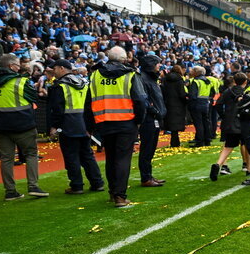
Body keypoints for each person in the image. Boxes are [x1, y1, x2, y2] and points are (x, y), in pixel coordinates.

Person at [0, 53, 49, 200]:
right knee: (31, 154)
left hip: (0, 126)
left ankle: (10, 191)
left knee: (6, 158)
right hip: (23, 124)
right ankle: (33, 186)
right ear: (11, 66)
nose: (19, 68)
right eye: (18, 65)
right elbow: (33, 97)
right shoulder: (20, 81)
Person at [87, 46, 145, 207]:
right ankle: (120, 195)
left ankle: (113, 192)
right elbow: (140, 100)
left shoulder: (95, 75)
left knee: (111, 157)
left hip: (104, 121)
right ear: (124, 59)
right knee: (122, 159)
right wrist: (139, 120)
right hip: (126, 121)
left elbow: (88, 100)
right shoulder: (130, 74)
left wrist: (90, 124)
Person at [47, 58, 103, 195]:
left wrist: (55, 126)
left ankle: (77, 185)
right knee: (87, 155)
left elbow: (57, 110)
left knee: (71, 156)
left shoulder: (59, 86)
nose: (53, 72)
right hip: (84, 125)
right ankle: (97, 183)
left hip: (68, 125)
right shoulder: (84, 83)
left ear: (61, 68)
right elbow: (90, 106)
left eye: (55, 69)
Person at [210, 72, 247, 181]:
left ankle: (218, 164)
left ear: (234, 81)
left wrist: (224, 115)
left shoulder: (227, 91)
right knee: (245, 144)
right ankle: (248, 166)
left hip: (229, 121)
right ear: (245, 81)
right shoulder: (246, 92)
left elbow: (218, 104)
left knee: (228, 145)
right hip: (241, 121)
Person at [137, 54, 166, 188]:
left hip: (154, 118)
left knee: (151, 148)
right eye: (157, 63)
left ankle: (148, 175)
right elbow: (145, 100)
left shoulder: (151, 78)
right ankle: (146, 177)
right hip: (149, 118)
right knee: (147, 149)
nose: (159, 66)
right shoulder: (143, 79)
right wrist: (155, 111)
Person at [186, 66, 212, 147]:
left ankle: (199, 141)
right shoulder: (207, 81)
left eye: (193, 70)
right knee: (205, 122)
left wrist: (187, 96)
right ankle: (207, 140)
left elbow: (192, 95)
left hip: (197, 104)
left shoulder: (196, 81)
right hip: (205, 103)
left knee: (199, 124)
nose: (191, 72)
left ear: (196, 72)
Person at [162, 64, 187, 147]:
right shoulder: (179, 80)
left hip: (168, 102)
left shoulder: (165, 79)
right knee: (176, 123)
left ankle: (174, 141)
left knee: (171, 122)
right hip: (178, 103)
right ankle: (175, 142)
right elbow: (181, 93)